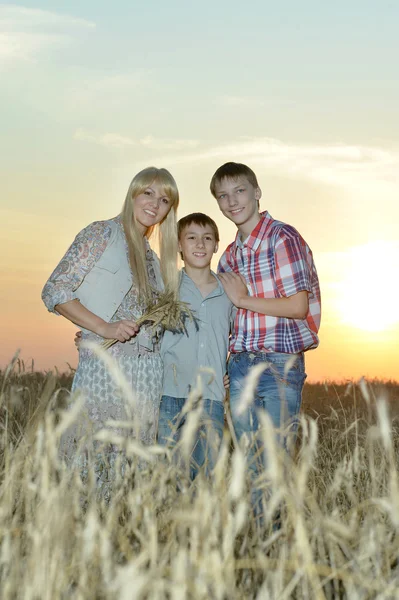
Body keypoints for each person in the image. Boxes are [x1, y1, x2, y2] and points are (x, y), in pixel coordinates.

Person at [42, 166, 179, 492]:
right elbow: (56, 291)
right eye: (148, 192)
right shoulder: (101, 233)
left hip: (147, 378)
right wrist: (100, 327)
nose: (154, 204)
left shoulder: (154, 259)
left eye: (163, 199)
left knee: (131, 476)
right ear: (133, 193)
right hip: (106, 371)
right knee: (93, 463)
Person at [210, 162, 321, 518]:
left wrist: (244, 299)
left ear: (256, 192)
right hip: (240, 364)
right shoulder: (228, 256)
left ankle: (282, 550)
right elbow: (224, 318)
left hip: (278, 363)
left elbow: (297, 305)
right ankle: (262, 549)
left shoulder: (281, 238)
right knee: (251, 464)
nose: (232, 201)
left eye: (239, 191)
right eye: (222, 196)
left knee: (275, 463)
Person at [157, 213, 233, 479]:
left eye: (207, 238)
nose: (200, 244)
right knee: (169, 475)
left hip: (210, 396)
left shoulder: (229, 291)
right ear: (179, 245)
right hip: (170, 394)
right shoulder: (167, 286)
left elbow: (240, 336)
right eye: (191, 238)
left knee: (206, 477)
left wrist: (231, 371)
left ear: (216, 245)